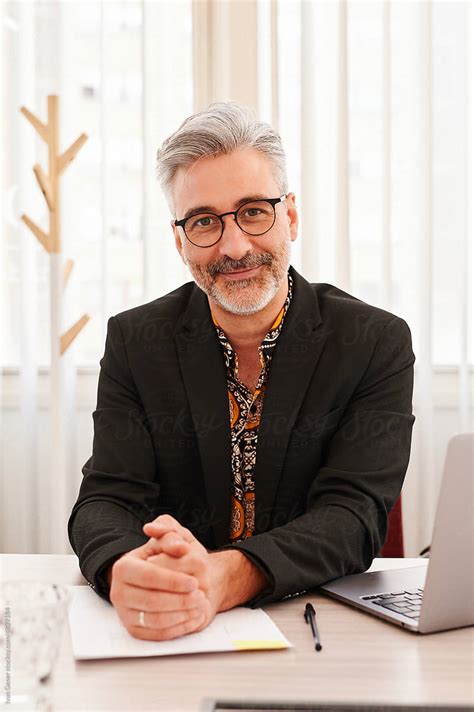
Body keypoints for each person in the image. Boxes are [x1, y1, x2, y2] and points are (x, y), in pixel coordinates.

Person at [68, 101, 415, 642]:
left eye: (254, 210)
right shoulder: (137, 341)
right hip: (175, 634)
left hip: (319, 627)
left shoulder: (374, 343)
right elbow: (107, 500)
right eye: (204, 221)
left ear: (291, 216)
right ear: (180, 239)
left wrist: (225, 576)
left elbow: (353, 516)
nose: (234, 246)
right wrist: (123, 572)